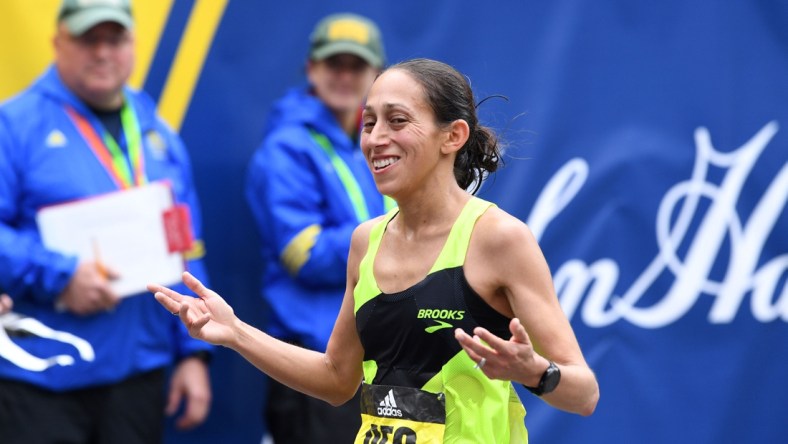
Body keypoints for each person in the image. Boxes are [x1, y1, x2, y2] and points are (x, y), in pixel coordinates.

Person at [153, 58, 599, 443]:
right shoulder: (366, 240)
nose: (375, 138)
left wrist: (535, 372)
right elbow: (336, 379)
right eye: (368, 123)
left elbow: (583, 393)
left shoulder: (499, 238)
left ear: (453, 135)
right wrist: (234, 332)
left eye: (398, 121)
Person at [0, 1, 213, 442]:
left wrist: (193, 351)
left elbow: (184, 242)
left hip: (138, 372)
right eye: (87, 39)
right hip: (41, 374)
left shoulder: (157, 131)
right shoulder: (13, 125)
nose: (102, 52)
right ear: (58, 43)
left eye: (113, 39)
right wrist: (60, 276)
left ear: (132, 45)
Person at [244, 12, 392, 443]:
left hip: (378, 355)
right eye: (334, 64)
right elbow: (303, 256)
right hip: (314, 357)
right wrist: (400, 243)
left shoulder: (377, 141)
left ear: (377, 75)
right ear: (312, 69)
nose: (345, 76)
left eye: (357, 66)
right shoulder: (285, 149)